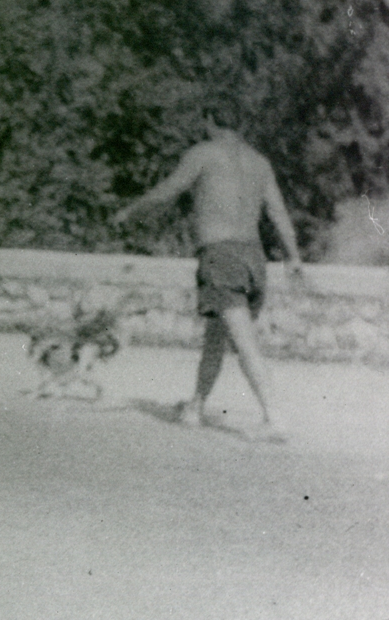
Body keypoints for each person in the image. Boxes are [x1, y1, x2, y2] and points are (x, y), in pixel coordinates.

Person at [112, 117, 304, 438]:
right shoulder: (260, 162)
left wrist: (130, 212)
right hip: (253, 258)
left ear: (210, 121)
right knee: (217, 334)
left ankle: (275, 418)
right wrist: (294, 256)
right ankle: (196, 407)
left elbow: (168, 190)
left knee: (244, 342)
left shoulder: (203, 153)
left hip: (221, 255)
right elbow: (278, 212)